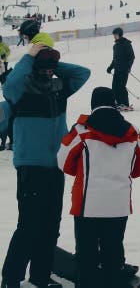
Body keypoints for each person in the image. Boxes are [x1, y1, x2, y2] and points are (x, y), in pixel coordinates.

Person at [1, 44, 91, 288]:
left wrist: (51, 61)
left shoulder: (58, 89)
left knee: (51, 226)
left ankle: (40, 276)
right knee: (28, 226)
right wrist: (31, 57)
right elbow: (8, 86)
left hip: (55, 168)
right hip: (30, 168)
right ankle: (11, 279)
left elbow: (83, 73)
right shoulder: (20, 92)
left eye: (52, 68)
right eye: (46, 67)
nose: (50, 72)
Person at [57, 87, 140, 288]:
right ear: (114, 103)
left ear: (93, 105)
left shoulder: (81, 131)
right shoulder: (132, 132)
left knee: (86, 256)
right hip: (118, 205)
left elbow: (63, 162)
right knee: (113, 252)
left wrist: (82, 172)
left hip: (87, 205)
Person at [106, 28, 135, 111]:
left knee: (121, 87)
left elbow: (132, 57)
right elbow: (115, 59)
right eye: (113, 35)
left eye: (115, 34)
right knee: (115, 87)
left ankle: (125, 104)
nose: (114, 36)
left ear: (119, 34)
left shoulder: (126, 44)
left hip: (124, 69)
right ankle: (119, 103)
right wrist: (110, 67)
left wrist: (128, 67)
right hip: (117, 69)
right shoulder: (115, 46)